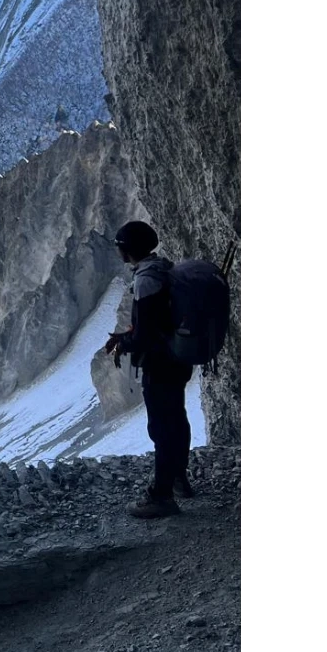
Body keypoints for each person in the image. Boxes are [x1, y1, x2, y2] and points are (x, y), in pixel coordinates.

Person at [104, 220, 195, 518]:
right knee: (176, 418)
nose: (118, 250)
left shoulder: (146, 280)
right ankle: (178, 479)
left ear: (128, 250)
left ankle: (162, 495)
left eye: (120, 246)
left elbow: (147, 333)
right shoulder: (164, 268)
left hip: (160, 363)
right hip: (178, 358)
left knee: (161, 427)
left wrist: (124, 343)